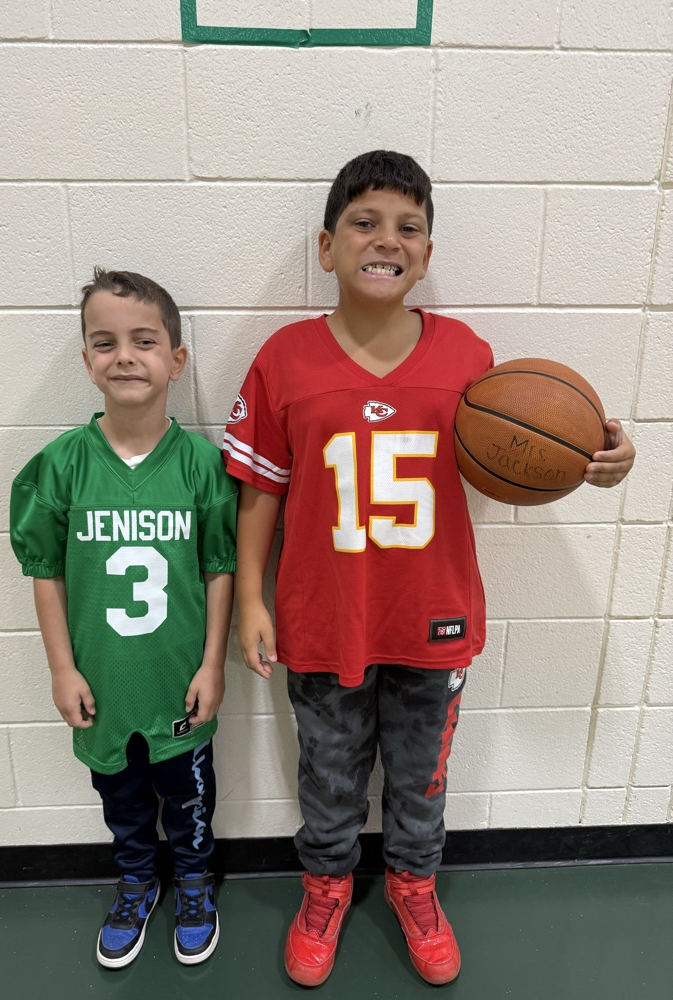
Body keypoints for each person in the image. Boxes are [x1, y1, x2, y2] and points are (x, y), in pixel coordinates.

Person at [223, 150, 635, 987]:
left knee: (420, 777)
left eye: (408, 226)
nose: (387, 239)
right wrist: (249, 605)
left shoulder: (469, 359)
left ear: (428, 253)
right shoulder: (284, 358)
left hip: (432, 615)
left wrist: (599, 458)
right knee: (328, 774)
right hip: (321, 613)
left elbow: (523, 449)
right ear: (327, 247)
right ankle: (326, 888)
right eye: (364, 222)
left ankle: (414, 885)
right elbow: (259, 493)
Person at [10, 269, 237, 970]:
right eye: (104, 343)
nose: (125, 356)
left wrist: (210, 664)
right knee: (122, 800)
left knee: (190, 795)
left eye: (145, 340)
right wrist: (61, 668)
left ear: (177, 359)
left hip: (178, 682)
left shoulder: (202, 464)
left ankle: (194, 881)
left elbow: (219, 567)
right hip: (102, 685)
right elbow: (44, 572)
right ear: (86, 361)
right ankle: (137, 879)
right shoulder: (60, 467)